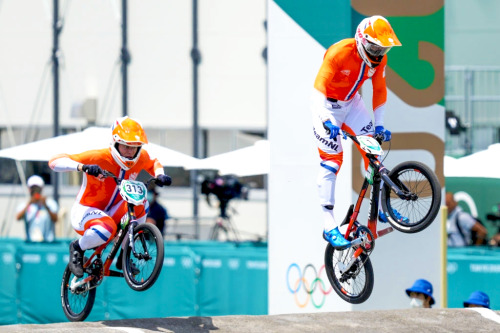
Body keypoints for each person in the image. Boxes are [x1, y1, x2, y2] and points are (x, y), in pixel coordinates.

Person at [312, 15, 403, 248]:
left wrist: (380, 125)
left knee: (374, 154)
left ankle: (382, 209)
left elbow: (380, 90)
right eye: (374, 47)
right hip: (327, 107)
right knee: (332, 163)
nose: (378, 53)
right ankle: (328, 224)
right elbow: (317, 94)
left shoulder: (379, 60)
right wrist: (326, 120)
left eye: (383, 48)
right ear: (362, 41)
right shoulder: (339, 52)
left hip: (352, 104)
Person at [49, 116, 172, 278]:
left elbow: (154, 162)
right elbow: (54, 161)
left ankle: (125, 254)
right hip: (86, 211)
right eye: (125, 146)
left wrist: (160, 175)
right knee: (107, 227)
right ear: (115, 142)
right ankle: (77, 248)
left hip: (113, 211)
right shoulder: (99, 157)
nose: (129, 151)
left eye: (134, 147)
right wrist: (82, 167)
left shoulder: (140, 158)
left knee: (140, 203)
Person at [16, 175, 59, 242]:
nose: (35, 191)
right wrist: (29, 203)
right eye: (33, 189)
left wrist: (45, 205)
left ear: (41, 189)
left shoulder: (50, 203)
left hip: (47, 243)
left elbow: (55, 219)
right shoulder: (25, 205)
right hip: (30, 243)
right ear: (29, 189)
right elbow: (18, 218)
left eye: (37, 189)